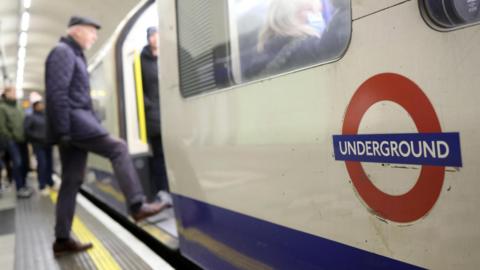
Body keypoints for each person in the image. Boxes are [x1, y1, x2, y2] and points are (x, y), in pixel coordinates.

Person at [45, 16, 169, 256]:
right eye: (92, 32)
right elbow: (57, 94)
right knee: (118, 148)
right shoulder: (63, 52)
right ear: (77, 31)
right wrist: (63, 132)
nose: (94, 37)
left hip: (73, 122)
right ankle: (137, 204)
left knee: (71, 181)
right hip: (74, 119)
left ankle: (62, 239)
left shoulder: (73, 53)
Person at [248, 0, 341, 79]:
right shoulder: (306, 48)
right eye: (310, 10)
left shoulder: (260, 53)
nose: (317, 16)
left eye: (318, 12)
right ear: (291, 16)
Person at [140, 26, 170, 201]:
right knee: (159, 153)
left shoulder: (168, 56)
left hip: (170, 112)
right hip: (153, 115)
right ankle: (163, 189)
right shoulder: (141, 59)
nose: (155, 39)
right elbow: (138, 88)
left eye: (158, 35)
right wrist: (148, 105)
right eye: (152, 35)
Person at [0, 86, 32, 198]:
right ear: (6, 93)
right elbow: (2, 127)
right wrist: (11, 137)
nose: (15, 94)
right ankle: (19, 188)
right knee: (17, 163)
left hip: (23, 140)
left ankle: (23, 184)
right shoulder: (2, 107)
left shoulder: (18, 106)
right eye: (12, 92)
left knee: (24, 163)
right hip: (12, 141)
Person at [24, 97, 55, 196]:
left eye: (42, 104)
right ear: (35, 106)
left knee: (50, 163)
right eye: (39, 104)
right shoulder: (31, 117)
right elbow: (27, 130)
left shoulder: (46, 116)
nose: (42, 106)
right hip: (38, 145)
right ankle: (42, 185)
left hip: (48, 144)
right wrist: (37, 138)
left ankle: (50, 182)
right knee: (42, 164)